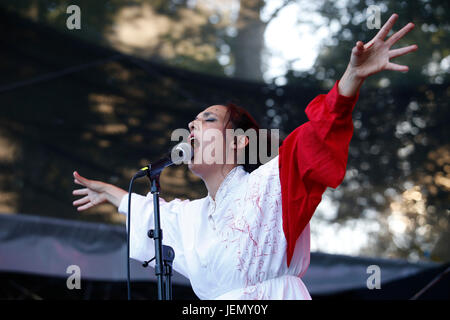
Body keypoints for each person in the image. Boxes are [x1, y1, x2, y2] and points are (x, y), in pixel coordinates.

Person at [73, 14, 417, 299]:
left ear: (238, 143)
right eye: (191, 123)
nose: (193, 126)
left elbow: (317, 135)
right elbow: (156, 216)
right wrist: (112, 194)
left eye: (207, 119)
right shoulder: (194, 217)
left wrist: (350, 80)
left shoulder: (272, 183)